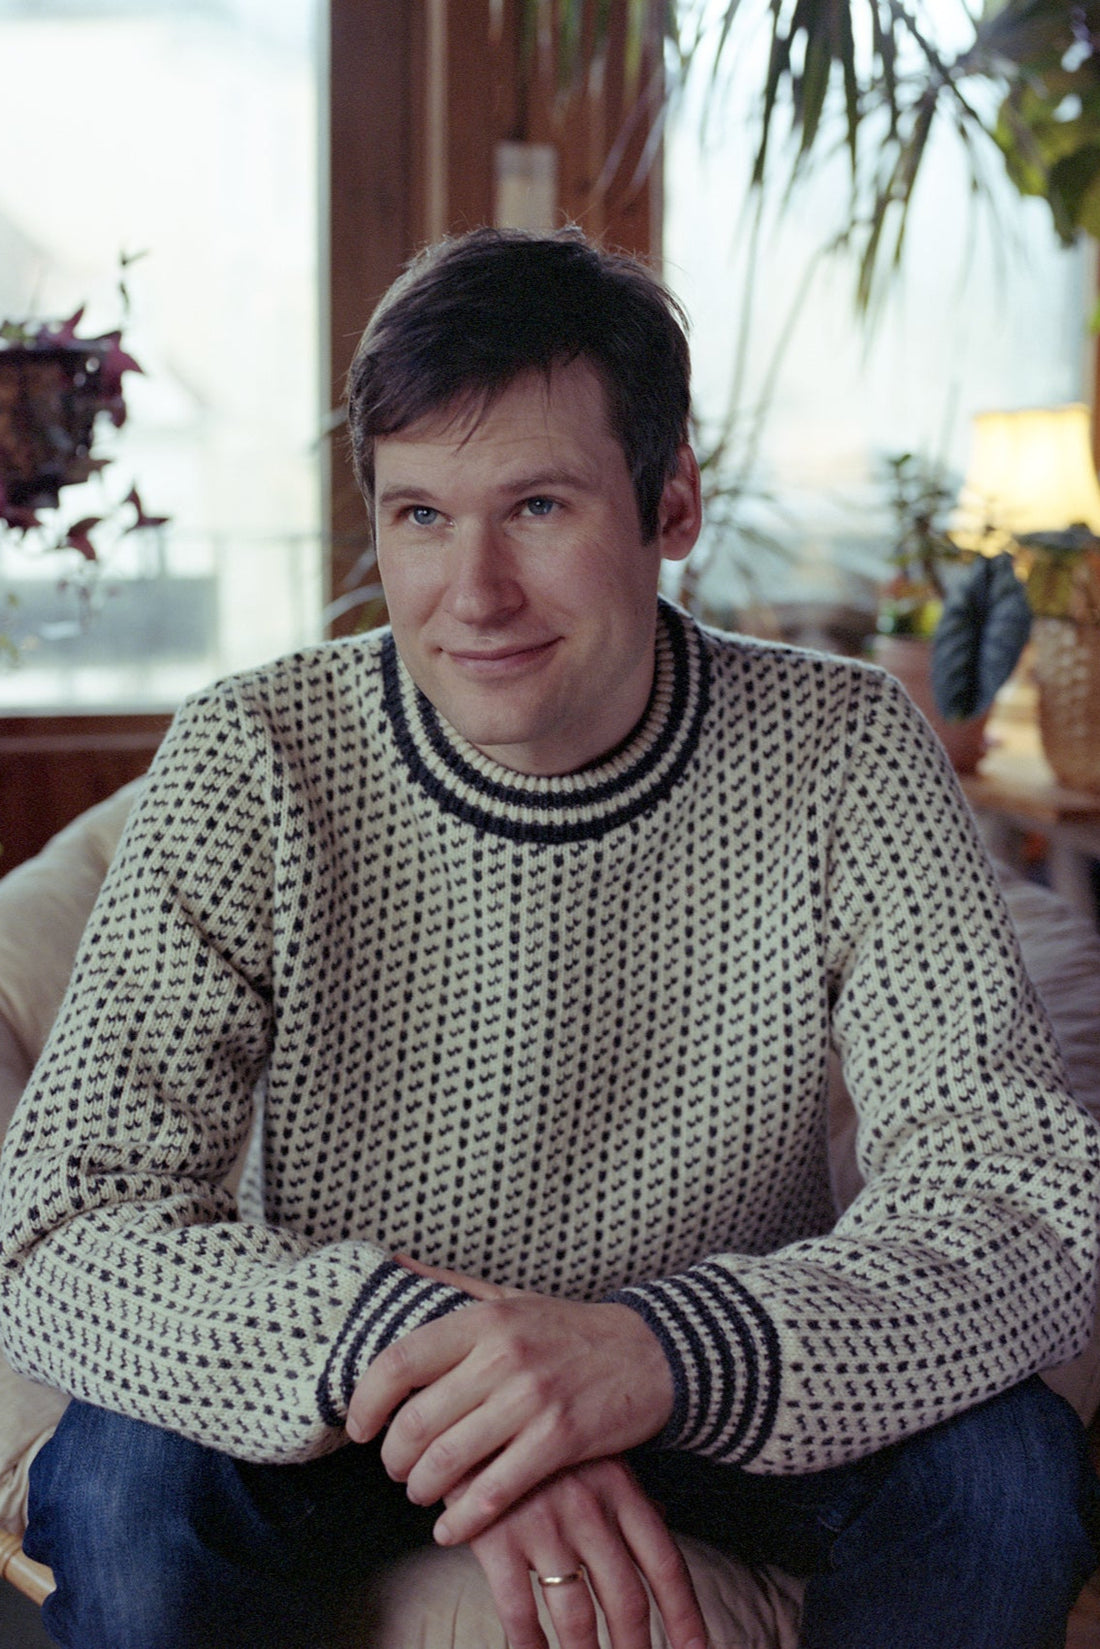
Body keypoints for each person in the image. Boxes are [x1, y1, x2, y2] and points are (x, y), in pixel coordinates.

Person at [1, 226, 1099, 1649]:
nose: (473, 595)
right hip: (348, 1397)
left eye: (536, 507)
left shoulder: (846, 747)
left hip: (714, 1388)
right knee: (128, 1488)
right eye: (419, 516)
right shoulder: (255, 751)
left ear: (672, 501)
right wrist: (440, 1370)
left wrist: (650, 1354)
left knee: (1007, 1475)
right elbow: (61, 1223)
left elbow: (1019, 1192)